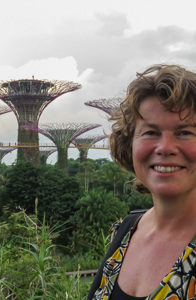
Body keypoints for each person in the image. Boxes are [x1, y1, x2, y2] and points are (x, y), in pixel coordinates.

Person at [88, 64, 196, 299]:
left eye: (185, 132)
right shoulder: (127, 230)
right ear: (130, 144)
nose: (165, 147)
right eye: (150, 132)